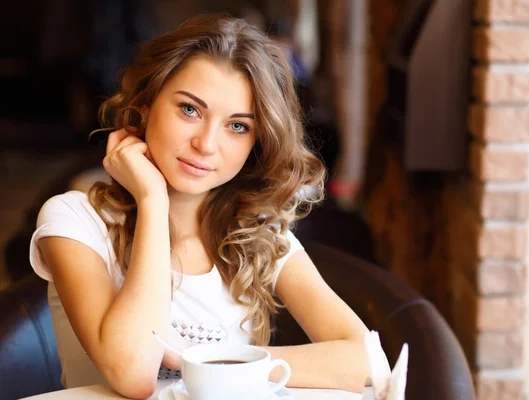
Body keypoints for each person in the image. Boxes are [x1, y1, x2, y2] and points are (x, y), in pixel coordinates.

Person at [29, 14, 369, 399]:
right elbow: (133, 375)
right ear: (145, 105)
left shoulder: (257, 233)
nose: (206, 144)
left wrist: (220, 361)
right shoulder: (75, 221)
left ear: (257, 143)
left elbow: (364, 361)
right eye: (190, 109)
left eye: (238, 126)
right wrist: (152, 200)